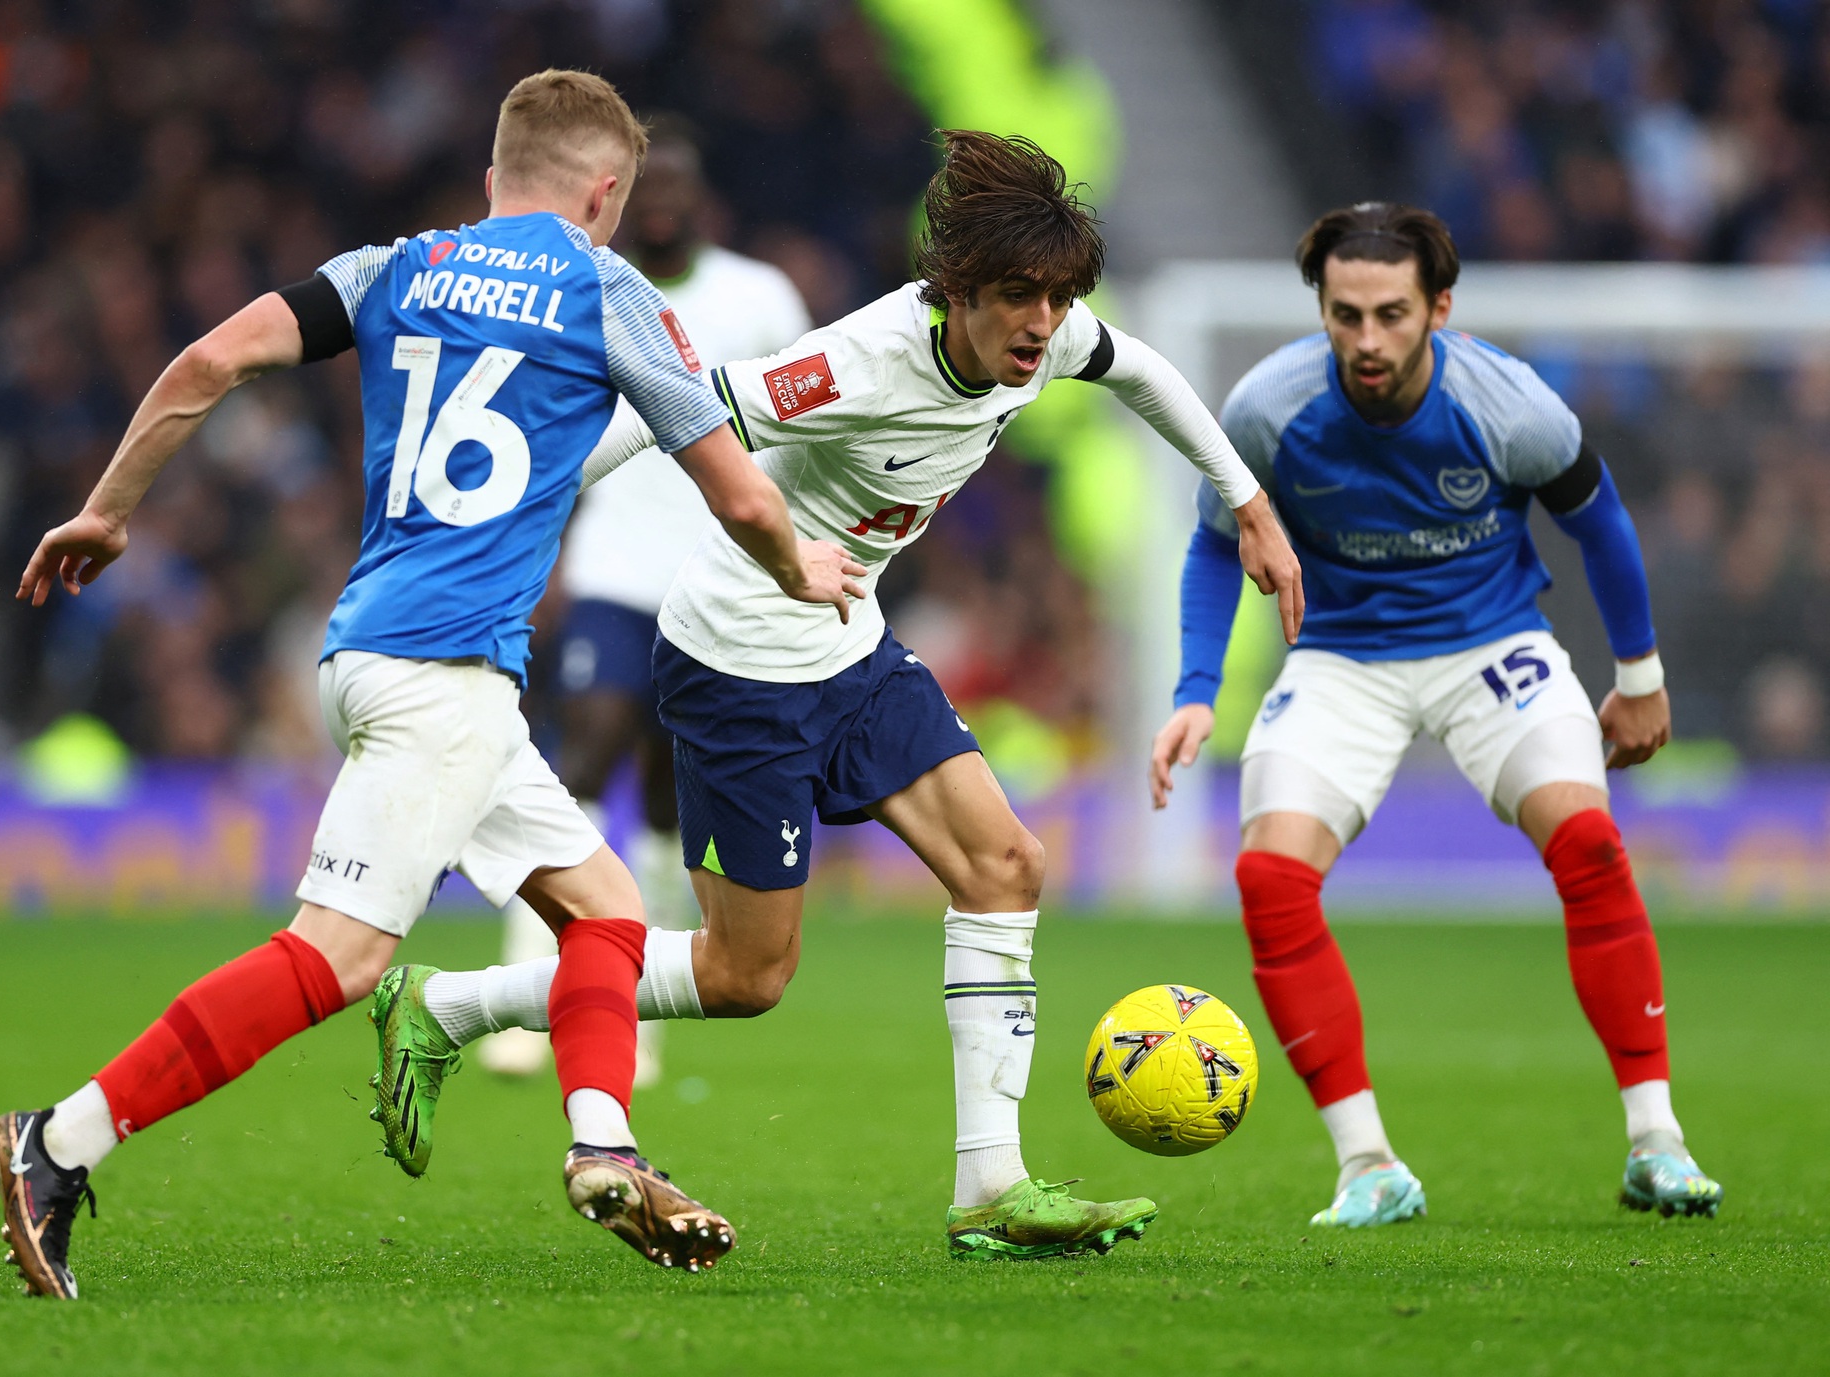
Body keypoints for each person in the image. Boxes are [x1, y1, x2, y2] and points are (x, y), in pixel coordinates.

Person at [0, 69, 863, 1296]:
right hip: (436, 677)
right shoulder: (611, 293)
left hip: (384, 655)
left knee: (604, 913)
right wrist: (798, 561)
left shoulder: (391, 265)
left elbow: (202, 363)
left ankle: (604, 1146)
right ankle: (58, 1142)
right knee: (332, 961)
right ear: (607, 195)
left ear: (494, 178)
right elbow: (738, 486)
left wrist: (106, 512)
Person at [375, 131, 1304, 1260]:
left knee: (1004, 865)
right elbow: (678, 405)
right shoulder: (856, 363)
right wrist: (512, 534)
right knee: (744, 976)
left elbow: (1144, 370)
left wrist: (1246, 502)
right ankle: (454, 1005)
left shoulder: (1043, 340)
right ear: (954, 292)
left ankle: (990, 1189)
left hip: (849, 647)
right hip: (736, 666)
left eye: (1058, 299)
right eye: (1017, 297)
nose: (1041, 324)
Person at [1147, 201, 1723, 1227]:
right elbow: (1210, 544)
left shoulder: (1511, 408)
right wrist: (1195, 692)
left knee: (1586, 843)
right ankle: (1366, 1165)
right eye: (1344, 315)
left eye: (1390, 315)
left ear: (1438, 310)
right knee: (1267, 878)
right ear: (1319, 310)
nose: (1366, 341)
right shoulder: (1264, 410)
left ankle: (1655, 1141)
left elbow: (1602, 528)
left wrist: (1639, 679)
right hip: (1340, 661)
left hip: (1489, 648)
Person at [480, 119, 812, 1085]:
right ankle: (525, 991)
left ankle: (637, 1009)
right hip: (616, 572)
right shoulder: (586, 289)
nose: (660, 199)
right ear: (615, 194)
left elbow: (805, 422)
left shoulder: (760, 297)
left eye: (677, 183)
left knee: (673, 800)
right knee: (580, 753)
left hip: (716, 579)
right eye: (644, 185)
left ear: (701, 195)